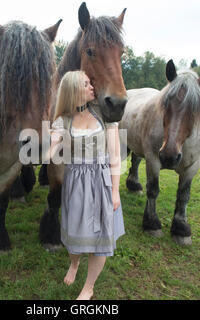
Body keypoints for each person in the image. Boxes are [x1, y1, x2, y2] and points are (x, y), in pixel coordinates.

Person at [47, 70, 125, 300]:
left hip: (102, 182)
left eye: (91, 83)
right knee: (74, 235)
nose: (92, 87)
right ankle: (74, 263)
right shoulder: (63, 120)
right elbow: (51, 150)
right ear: (73, 91)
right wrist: (47, 150)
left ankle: (89, 286)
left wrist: (115, 191)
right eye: (86, 84)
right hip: (76, 183)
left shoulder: (104, 114)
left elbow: (115, 156)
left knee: (100, 237)